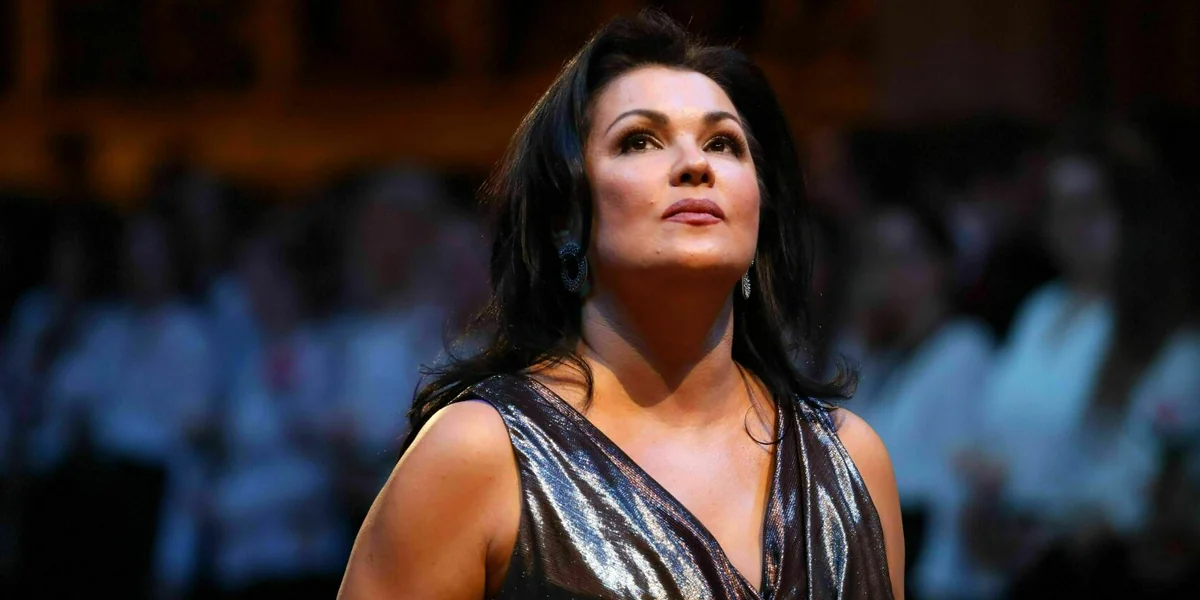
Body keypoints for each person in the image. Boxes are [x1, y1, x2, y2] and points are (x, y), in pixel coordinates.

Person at [339, 11, 902, 599]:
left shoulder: (850, 459)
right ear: (565, 217)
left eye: (723, 144)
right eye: (639, 141)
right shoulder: (479, 453)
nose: (696, 165)